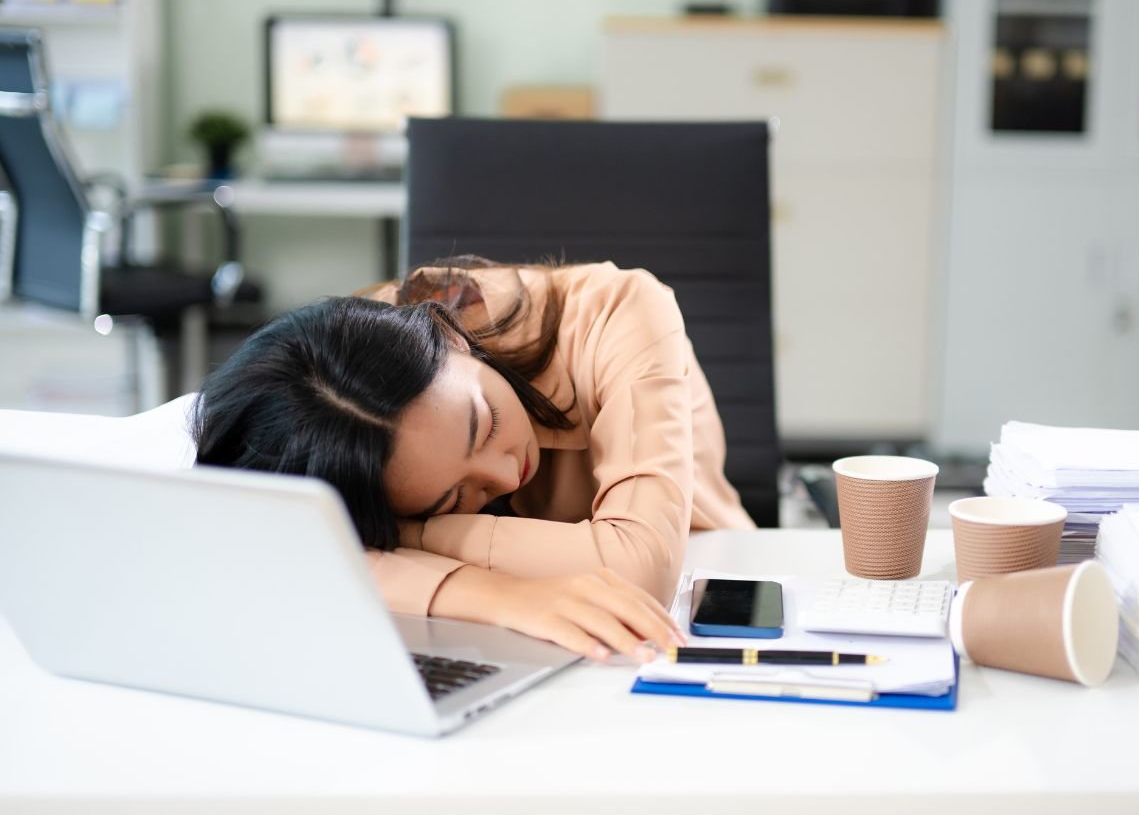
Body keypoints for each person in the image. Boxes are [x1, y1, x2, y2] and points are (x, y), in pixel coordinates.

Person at [194, 257, 755, 663]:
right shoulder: (333, 397)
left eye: (484, 423)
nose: (507, 475)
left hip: (704, 596)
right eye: (452, 500)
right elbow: (256, 538)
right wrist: (489, 595)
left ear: (448, 331)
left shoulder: (622, 309)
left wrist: (407, 538)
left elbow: (639, 568)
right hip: (518, 641)